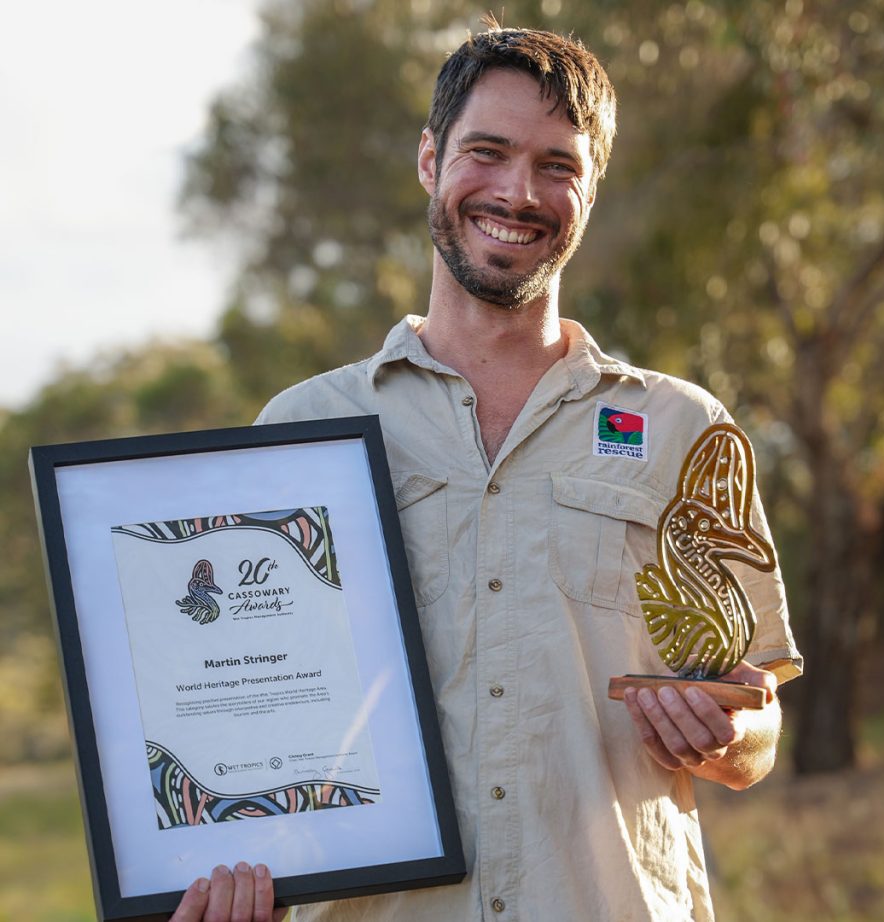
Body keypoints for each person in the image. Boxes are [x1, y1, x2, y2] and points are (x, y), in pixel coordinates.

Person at [172, 21, 802, 922]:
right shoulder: (301, 430)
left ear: (590, 189)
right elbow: (238, 709)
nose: (518, 190)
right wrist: (218, 863)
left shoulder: (683, 430)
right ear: (430, 160)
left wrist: (731, 735)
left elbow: (757, 718)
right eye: (488, 151)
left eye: (558, 165)